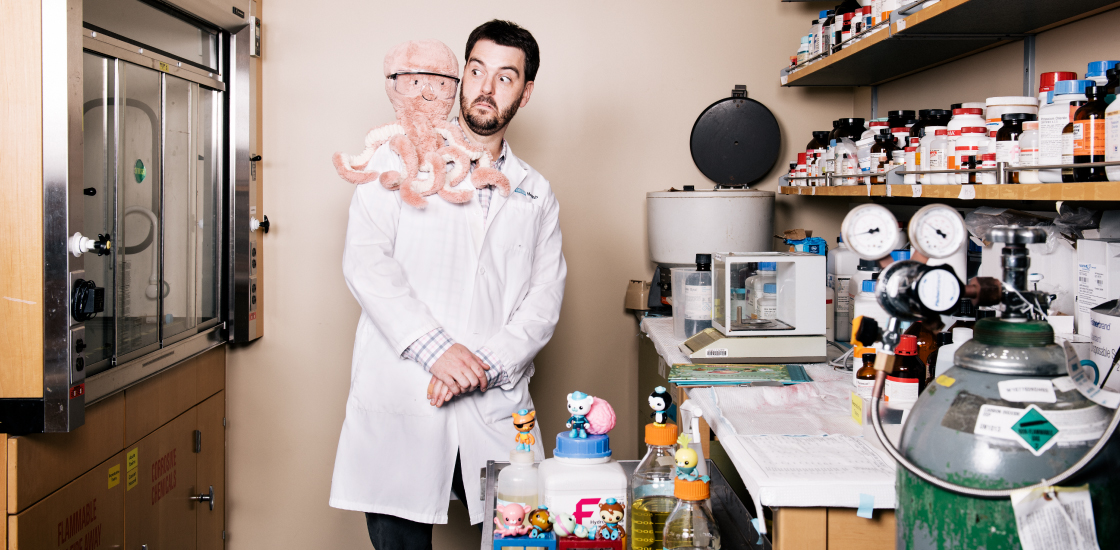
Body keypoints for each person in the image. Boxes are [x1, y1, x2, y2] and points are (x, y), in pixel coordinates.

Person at [329, 20, 566, 550]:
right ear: (460, 78)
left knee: (516, 539)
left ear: (525, 94)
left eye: (506, 77)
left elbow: (544, 300)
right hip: (408, 390)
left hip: (494, 397)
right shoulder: (395, 163)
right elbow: (366, 264)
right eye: (477, 71)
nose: (486, 87)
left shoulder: (535, 192)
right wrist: (438, 352)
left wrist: (478, 366)